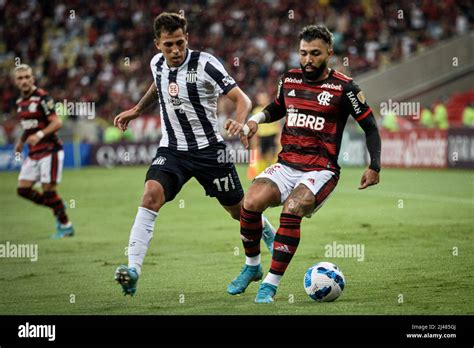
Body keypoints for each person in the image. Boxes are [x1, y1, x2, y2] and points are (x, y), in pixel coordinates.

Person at [113, 13, 275, 296]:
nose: (175, 51)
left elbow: (242, 99)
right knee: (150, 195)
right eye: (168, 45)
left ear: (186, 38)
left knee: (239, 211)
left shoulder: (206, 64)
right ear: (157, 45)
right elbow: (158, 84)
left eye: (179, 43)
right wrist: (138, 109)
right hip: (172, 150)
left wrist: (239, 121)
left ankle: (266, 238)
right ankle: (134, 269)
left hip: (210, 151)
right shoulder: (157, 64)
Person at [227, 25, 381, 303]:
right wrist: (254, 122)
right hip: (287, 164)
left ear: (329, 53)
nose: (308, 59)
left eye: (315, 53)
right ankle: (252, 267)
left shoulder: (345, 88)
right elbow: (277, 107)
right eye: (303, 53)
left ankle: (270, 285)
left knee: (292, 208)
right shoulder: (289, 79)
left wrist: (375, 166)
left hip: (321, 169)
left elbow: (370, 127)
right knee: (249, 203)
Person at [13, 64, 74, 239]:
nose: (24, 81)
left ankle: (66, 225)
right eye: (20, 78)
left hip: (50, 150)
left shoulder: (42, 98)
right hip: (34, 152)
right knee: (22, 189)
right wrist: (21, 141)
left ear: (33, 78)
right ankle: (58, 205)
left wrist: (39, 135)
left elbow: (57, 123)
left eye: (27, 77)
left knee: (48, 191)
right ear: (15, 82)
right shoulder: (20, 102)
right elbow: (29, 127)